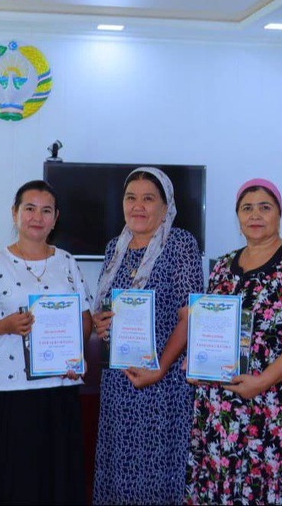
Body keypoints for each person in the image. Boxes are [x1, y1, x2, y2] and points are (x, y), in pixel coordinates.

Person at [185, 179, 282, 505]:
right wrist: (197, 364)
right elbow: (209, 325)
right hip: (222, 407)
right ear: (238, 217)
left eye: (265, 207)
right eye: (247, 208)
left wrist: (262, 382)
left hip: (276, 402)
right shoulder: (222, 266)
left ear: (279, 214)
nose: (255, 215)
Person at [0, 180, 93, 504]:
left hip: (59, 387)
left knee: (56, 483)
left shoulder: (67, 261)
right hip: (9, 392)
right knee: (13, 484)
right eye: (30, 208)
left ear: (56, 217)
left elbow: (84, 317)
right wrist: (3, 326)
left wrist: (76, 354)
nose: (37, 217)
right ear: (15, 213)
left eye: (46, 210)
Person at [91, 167, 205, 504]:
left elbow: (189, 316)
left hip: (163, 383)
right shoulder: (114, 248)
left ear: (166, 205)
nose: (137, 206)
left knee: (156, 473)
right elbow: (105, 309)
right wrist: (100, 323)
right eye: (131, 197)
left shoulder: (181, 244)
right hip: (118, 383)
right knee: (119, 470)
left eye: (148, 199)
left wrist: (159, 368)